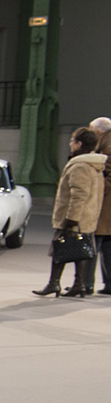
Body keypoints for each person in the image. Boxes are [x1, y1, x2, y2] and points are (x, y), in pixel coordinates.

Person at [33, 126, 106, 297]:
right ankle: (78, 285)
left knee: (60, 248)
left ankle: (54, 284)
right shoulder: (95, 165)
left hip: (74, 218)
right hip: (88, 217)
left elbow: (78, 196)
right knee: (80, 251)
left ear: (79, 144)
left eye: (72, 141)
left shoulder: (80, 166)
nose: (70, 144)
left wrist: (71, 219)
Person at [92, 117, 111, 294]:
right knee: (106, 245)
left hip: (106, 204)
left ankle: (85, 283)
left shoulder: (108, 144)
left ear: (99, 132)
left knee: (95, 244)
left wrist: (97, 190)